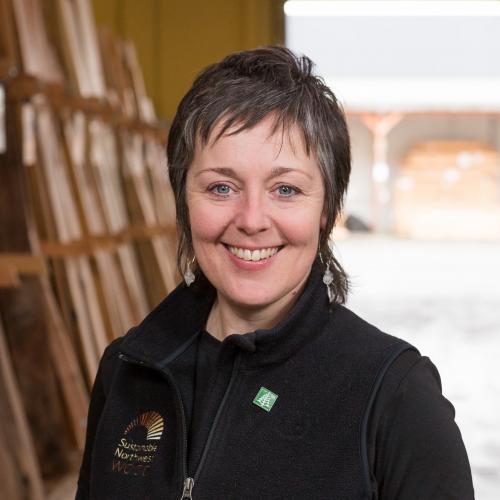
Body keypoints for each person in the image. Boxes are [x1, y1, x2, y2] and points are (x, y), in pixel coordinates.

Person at [76, 46, 474, 500]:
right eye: (221, 187)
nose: (251, 220)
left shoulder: (397, 397)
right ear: (183, 200)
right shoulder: (129, 369)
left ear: (327, 210)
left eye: (285, 189)